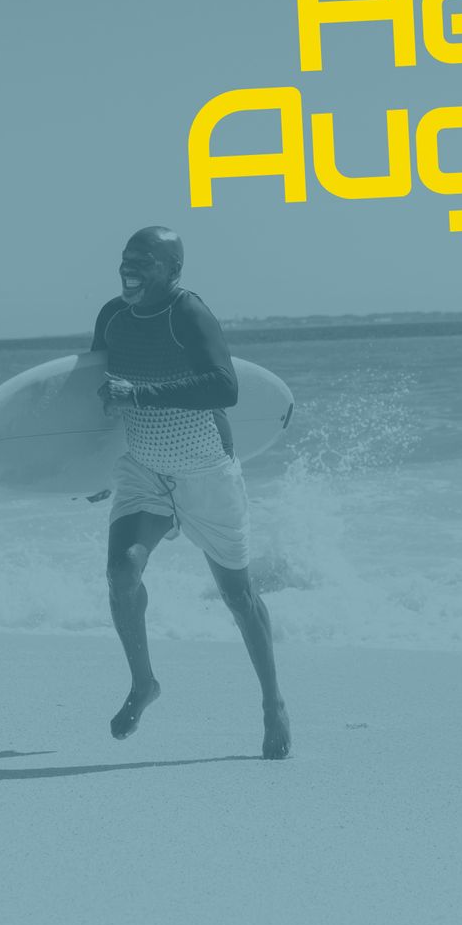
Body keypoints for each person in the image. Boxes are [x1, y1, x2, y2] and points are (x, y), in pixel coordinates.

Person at [90, 226, 291, 759]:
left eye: (144, 261)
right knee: (121, 573)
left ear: (173, 271)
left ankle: (272, 702)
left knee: (238, 596)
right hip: (144, 469)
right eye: (126, 258)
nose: (129, 268)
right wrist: (89, 472)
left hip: (207, 471)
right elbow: (98, 401)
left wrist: (140, 393)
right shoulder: (111, 317)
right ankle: (143, 683)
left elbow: (224, 386)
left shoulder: (189, 313)